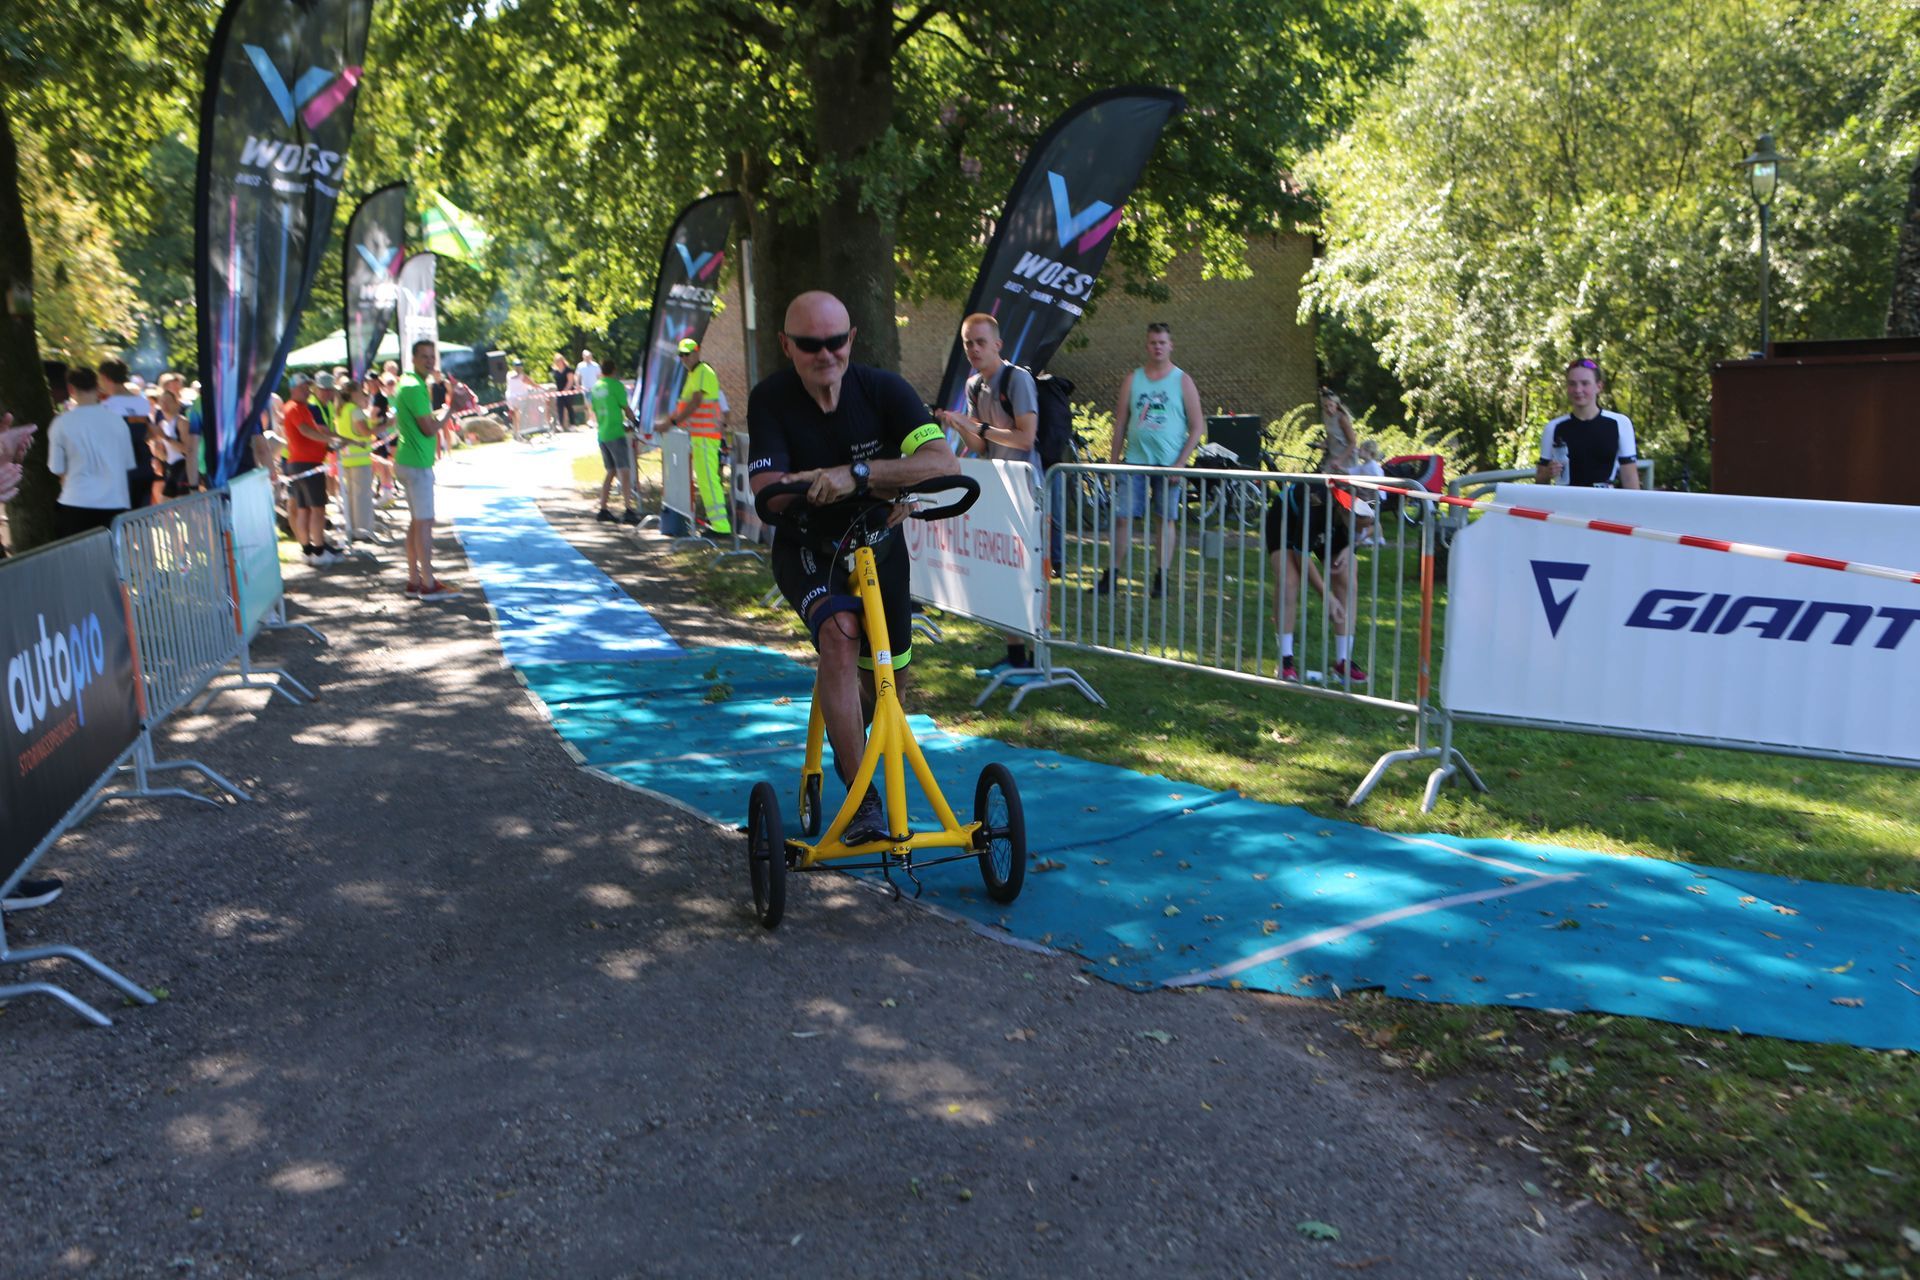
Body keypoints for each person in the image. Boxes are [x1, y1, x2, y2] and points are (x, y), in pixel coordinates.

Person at [748, 290, 959, 846]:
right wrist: (890, 478)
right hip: (809, 547)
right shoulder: (771, 399)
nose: (825, 354)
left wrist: (855, 475)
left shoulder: (884, 390)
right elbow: (768, 492)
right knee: (840, 636)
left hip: (878, 545)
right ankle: (862, 798)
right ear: (786, 346)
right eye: (810, 344)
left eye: (836, 341)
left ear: (852, 339)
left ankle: (844, 729)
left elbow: (941, 461)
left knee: (888, 683)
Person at [934, 311, 1040, 674]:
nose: (974, 349)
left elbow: (1025, 438)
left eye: (980, 342)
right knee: (1006, 572)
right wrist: (960, 426)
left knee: (1033, 574)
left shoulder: (1018, 379)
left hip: (1027, 488)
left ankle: (1039, 657)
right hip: (997, 487)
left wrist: (977, 426)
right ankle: (1015, 656)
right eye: (968, 344)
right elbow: (981, 446)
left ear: (998, 344)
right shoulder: (974, 385)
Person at [1098, 322, 1204, 599]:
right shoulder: (1133, 379)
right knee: (1122, 518)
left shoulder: (1182, 380)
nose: (1158, 347)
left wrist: (1181, 463)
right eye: (1153, 342)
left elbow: (1197, 427)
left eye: (1162, 342)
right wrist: (1113, 461)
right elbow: (1121, 422)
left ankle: (1161, 578)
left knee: (1164, 519)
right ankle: (1111, 576)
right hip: (1134, 461)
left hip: (1169, 464)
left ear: (1170, 346)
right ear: (1147, 346)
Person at [1266, 479, 1369, 685]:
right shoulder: (1316, 505)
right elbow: (1301, 557)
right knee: (1289, 581)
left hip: (1331, 521)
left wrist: (1351, 546)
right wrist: (1326, 596)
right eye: (1356, 524)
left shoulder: (1365, 502)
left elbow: (1375, 527)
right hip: (1286, 519)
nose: (1359, 527)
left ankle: (1343, 662)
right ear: (1345, 510)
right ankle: (1285, 661)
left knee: (1347, 575)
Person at [393, 338, 460, 599]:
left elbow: (425, 421)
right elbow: (429, 428)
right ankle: (428, 584)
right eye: (424, 356)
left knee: (417, 522)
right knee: (424, 524)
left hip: (410, 460)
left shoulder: (410, 382)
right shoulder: (413, 386)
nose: (430, 361)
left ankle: (414, 580)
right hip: (417, 464)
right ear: (413, 359)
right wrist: (452, 409)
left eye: (432, 356)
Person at [46, 368, 135, 538]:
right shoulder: (117, 421)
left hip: (75, 502)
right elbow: (127, 463)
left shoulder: (61, 423)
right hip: (115, 501)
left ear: (71, 389)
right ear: (97, 387)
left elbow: (56, 468)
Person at [1536, 358, 1642, 489]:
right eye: (1572, 384)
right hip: (1566, 497)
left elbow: (1630, 478)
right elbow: (1540, 480)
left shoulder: (1620, 423)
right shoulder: (1553, 427)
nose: (1578, 390)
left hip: (1604, 497)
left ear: (1599, 386)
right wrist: (1548, 473)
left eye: (1585, 383)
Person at [667, 337, 730, 535]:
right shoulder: (694, 374)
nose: (684, 358)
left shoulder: (703, 372)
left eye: (687, 354)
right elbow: (686, 405)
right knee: (705, 481)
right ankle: (717, 524)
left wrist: (673, 423)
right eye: (681, 355)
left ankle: (721, 527)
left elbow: (695, 402)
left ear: (697, 352)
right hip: (700, 437)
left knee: (709, 481)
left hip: (706, 436)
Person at [281, 373, 342, 565]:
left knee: (305, 509)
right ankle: (318, 551)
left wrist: (328, 441)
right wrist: (331, 440)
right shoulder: (295, 407)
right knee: (316, 509)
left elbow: (310, 432)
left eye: (308, 387)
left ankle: (309, 550)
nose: (307, 391)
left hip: (303, 464)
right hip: (306, 464)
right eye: (303, 388)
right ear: (293, 389)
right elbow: (306, 431)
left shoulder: (301, 407)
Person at [98, 359, 154, 511]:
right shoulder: (140, 401)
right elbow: (147, 433)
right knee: (142, 515)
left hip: (121, 469)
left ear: (105, 378)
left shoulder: (107, 406)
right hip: (143, 464)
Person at [591, 363, 638, 524]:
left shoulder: (596, 387)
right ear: (614, 370)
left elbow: (596, 410)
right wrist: (635, 422)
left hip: (603, 434)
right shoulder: (616, 385)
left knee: (610, 471)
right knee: (624, 471)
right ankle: (628, 509)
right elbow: (626, 408)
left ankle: (603, 509)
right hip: (616, 433)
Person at [337, 378, 378, 543]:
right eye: (361, 392)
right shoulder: (355, 410)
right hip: (359, 459)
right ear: (354, 393)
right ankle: (363, 531)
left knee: (352, 497)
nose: (363, 395)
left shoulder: (341, 410)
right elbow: (365, 432)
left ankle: (353, 528)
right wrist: (386, 424)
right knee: (362, 497)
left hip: (346, 458)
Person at [149, 382, 198, 498]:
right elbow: (163, 456)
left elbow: (188, 450)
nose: (165, 404)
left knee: (184, 504)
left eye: (168, 401)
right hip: (170, 468)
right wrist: (156, 450)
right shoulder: (161, 425)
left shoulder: (182, 422)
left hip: (183, 467)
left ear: (176, 404)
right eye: (162, 401)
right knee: (165, 503)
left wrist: (166, 438)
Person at [1318, 385, 1358, 475]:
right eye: (1325, 406)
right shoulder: (1326, 416)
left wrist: (1339, 460)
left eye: (1331, 405)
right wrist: (1324, 442)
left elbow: (1353, 442)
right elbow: (1332, 434)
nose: (1329, 409)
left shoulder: (1342, 418)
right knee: (1325, 479)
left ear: (1336, 405)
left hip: (1346, 458)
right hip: (1333, 456)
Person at [550, 352, 577, 430]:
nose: (558, 362)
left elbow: (570, 381)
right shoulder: (555, 371)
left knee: (569, 407)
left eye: (559, 360)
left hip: (568, 392)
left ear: (563, 361)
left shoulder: (568, 370)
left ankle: (573, 424)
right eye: (556, 361)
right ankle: (560, 425)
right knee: (559, 407)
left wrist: (565, 390)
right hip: (559, 392)